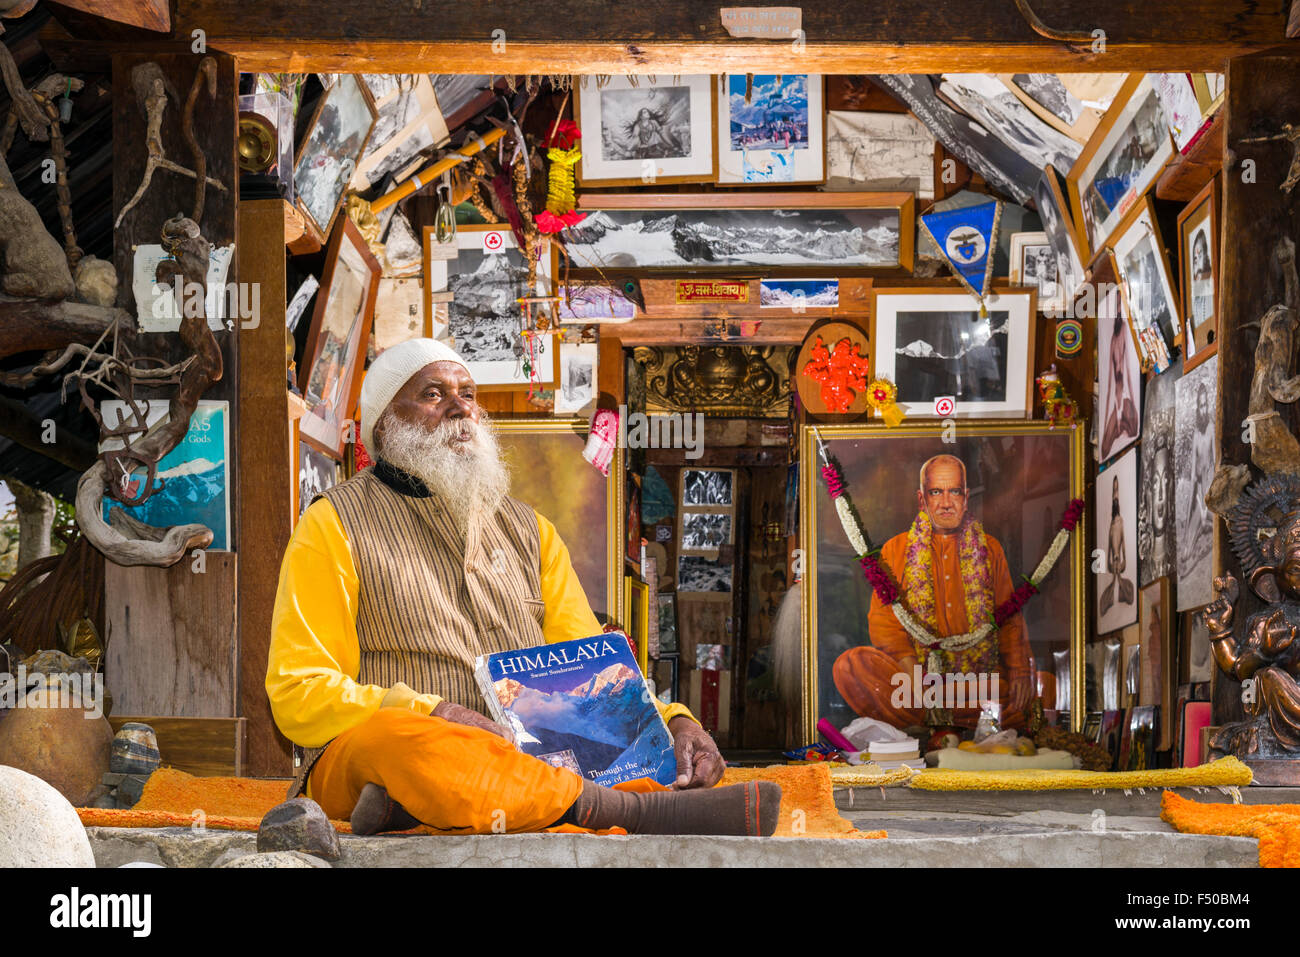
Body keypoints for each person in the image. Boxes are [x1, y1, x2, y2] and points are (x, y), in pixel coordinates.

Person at [266, 339, 779, 837]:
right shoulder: (334, 524)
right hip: (392, 753)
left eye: (467, 394)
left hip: (523, 758)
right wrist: (433, 711)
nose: (459, 409)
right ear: (385, 423)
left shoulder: (531, 532)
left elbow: (594, 669)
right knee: (403, 743)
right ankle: (639, 813)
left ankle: (420, 809)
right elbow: (297, 691)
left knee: (616, 745)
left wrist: (677, 720)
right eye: (432, 394)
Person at [831, 454, 1033, 729]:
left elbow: (1009, 617)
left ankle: (930, 720)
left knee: (1045, 690)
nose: (946, 502)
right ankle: (954, 719)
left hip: (975, 682)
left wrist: (1020, 671)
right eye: (936, 492)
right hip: (916, 681)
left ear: (966, 497)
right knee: (851, 666)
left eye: (954, 492)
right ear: (922, 498)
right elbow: (885, 623)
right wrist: (912, 673)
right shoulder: (897, 549)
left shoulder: (990, 548)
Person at [1101, 312, 1139, 457]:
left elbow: (1129, 372)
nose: (1117, 313)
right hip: (1117, 397)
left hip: (1125, 395)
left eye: (1118, 307)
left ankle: (1124, 425)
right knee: (1105, 448)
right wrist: (1105, 422)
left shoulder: (1124, 328)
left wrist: (1134, 405)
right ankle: (1119, 427)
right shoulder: (1112, 339)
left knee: (1133, 429)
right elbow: (1109, 384)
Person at [1100, 474, 1135, 614]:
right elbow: (1109, 547)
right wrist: (1112, 560)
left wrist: (1122, 559)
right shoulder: (1112, 524)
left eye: (1116, 496)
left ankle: (1121, 594)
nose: (1115, 499)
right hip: (1115, 558)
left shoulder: (1120, 522)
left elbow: (1124, 544)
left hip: (1118, 558)